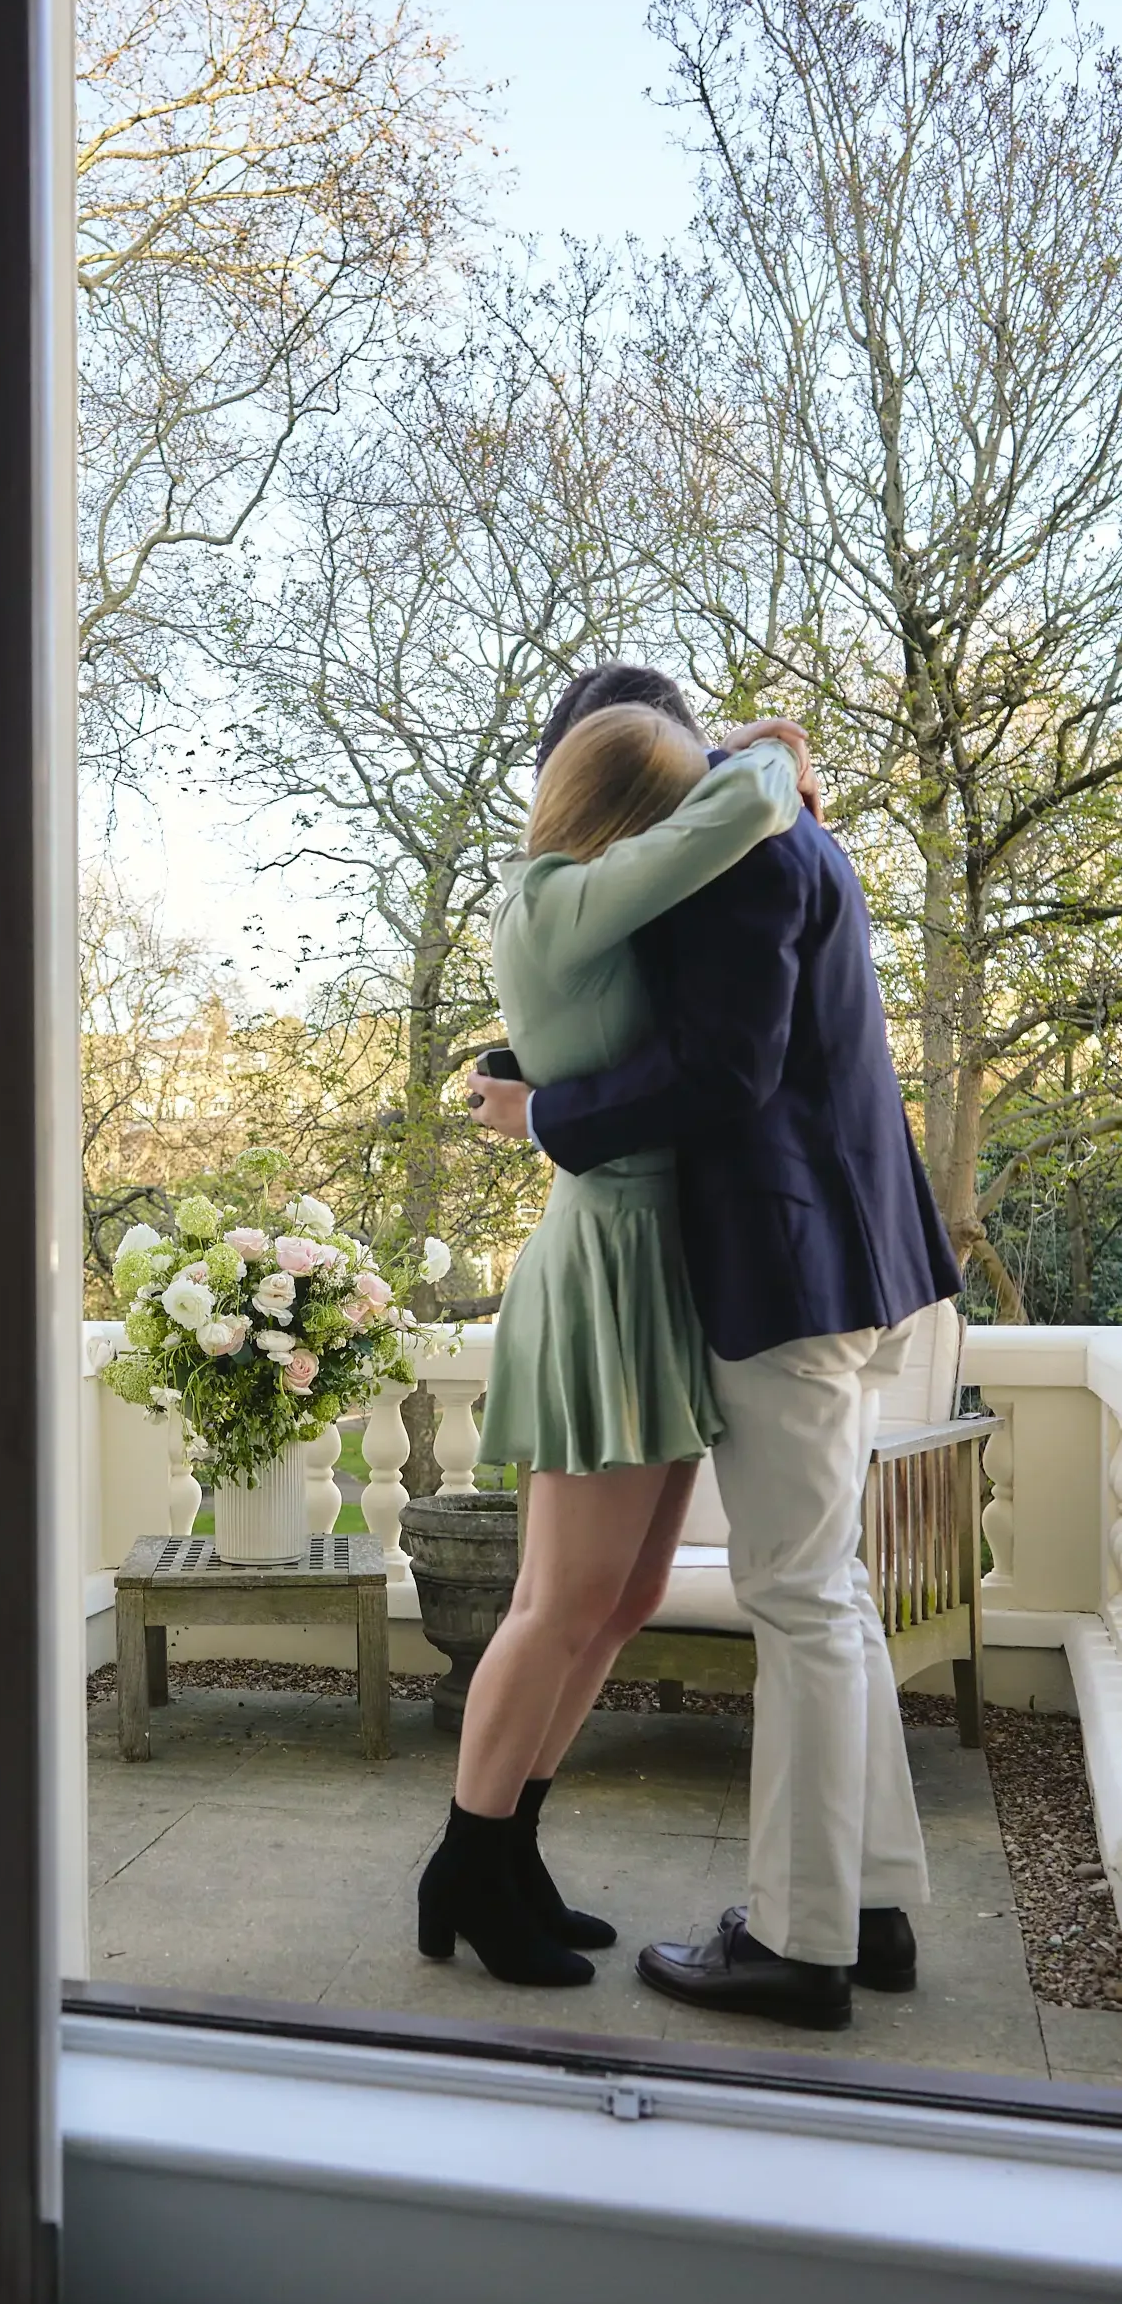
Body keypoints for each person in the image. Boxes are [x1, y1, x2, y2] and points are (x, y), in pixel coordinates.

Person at [466, 662, 963, 2029]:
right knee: (831, 1593)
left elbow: (721, 1071)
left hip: (781, 1264)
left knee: (796, 1599)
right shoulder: (787, 831)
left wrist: (547, 1114)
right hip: (853, 1256)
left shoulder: (744, 857)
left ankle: (798, 1945)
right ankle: (867, 1906)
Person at [416, 701, 807, 1988]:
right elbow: (747, 807)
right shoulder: (557, 896)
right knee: (560, 1598)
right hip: (607, 1262)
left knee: (625, 1593)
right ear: (634, 811)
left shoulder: (584, 904)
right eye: (668, 801)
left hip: (652, 1255)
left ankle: (510, 1843)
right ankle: (470, 1857)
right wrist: (763, 752)